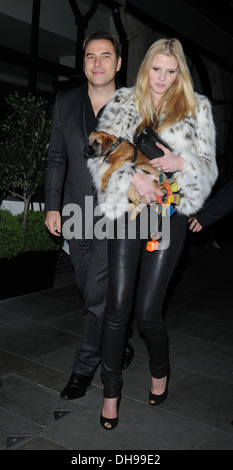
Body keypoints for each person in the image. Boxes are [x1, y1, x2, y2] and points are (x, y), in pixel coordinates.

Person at [90, 37, 218, 429]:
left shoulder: (198, 108)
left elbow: (210, 167)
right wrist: (130, 182)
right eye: (155, 69)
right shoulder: (124, 102)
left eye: (170, 70)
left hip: (169, 215)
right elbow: (98, 160)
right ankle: (110, 393)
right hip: (129, 212)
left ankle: (159, 371)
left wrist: (184, 162)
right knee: (117, 308)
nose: (161, 78)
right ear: (145, 68)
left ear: (180, 72)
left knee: (147, 312)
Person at [44, 31, 134, 401]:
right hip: (74, 211)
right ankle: (119, 333)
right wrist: (52, 205)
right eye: (90, 56)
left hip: (116, 215)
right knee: (88, 290)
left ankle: (84, 368)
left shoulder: (135, 105)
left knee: (95, 296)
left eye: (105, 56)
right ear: (83, 63)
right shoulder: (65, 102)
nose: (97, 63)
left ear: (118, 63)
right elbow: (56, 158)